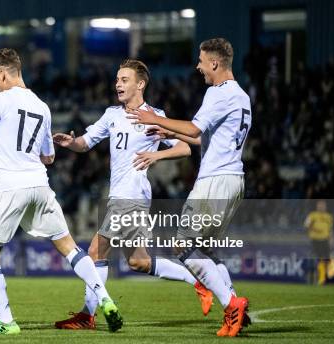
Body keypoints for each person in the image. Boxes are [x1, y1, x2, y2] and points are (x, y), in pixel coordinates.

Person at [0, 48, 123, 335]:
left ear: (3, 73)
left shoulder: (0, 99)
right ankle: (105, 298)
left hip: (9, 188)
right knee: (69, 247)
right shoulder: (42, 105)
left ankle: (7, 323)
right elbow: (49, 158)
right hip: (40, 186)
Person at [53, 59, 212, 330]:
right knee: (139, 261)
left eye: (124, 79)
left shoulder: (153, 115)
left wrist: (156, 155)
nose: (118, 84)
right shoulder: (112, 114)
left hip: (132, 196)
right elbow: (86, 142)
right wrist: (71, 143)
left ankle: (87, 315)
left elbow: (185, 148)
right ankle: (196, 280)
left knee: (95, 250)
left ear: (140, 84)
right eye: (117, 79)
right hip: (119, 196)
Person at [126, 38, 251, 337]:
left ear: (215, 63)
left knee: (182, 244)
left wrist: (154, 118)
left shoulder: (217, 93)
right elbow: (204, 138)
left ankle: (231, 304)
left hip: (214, 181)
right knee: (206, 249)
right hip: (234, 180)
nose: (198, 66)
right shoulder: (242, 96)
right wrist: (167, 129)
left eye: (201, 60)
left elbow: (194, 129)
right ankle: (236, 311)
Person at [304, 200, 334, 285]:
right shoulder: (312, 215)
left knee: (324, 260)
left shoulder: (329, 217)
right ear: (317, 206)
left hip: (325, 240)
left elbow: (330, 230)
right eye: (320, 205)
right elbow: (306, 225)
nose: (321, 206)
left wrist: (331, 241)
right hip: (315, 240)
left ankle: (321, 279)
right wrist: (315, 229)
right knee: (313, 259)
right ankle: (311, 279)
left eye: (323, 205)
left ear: (325, 206)